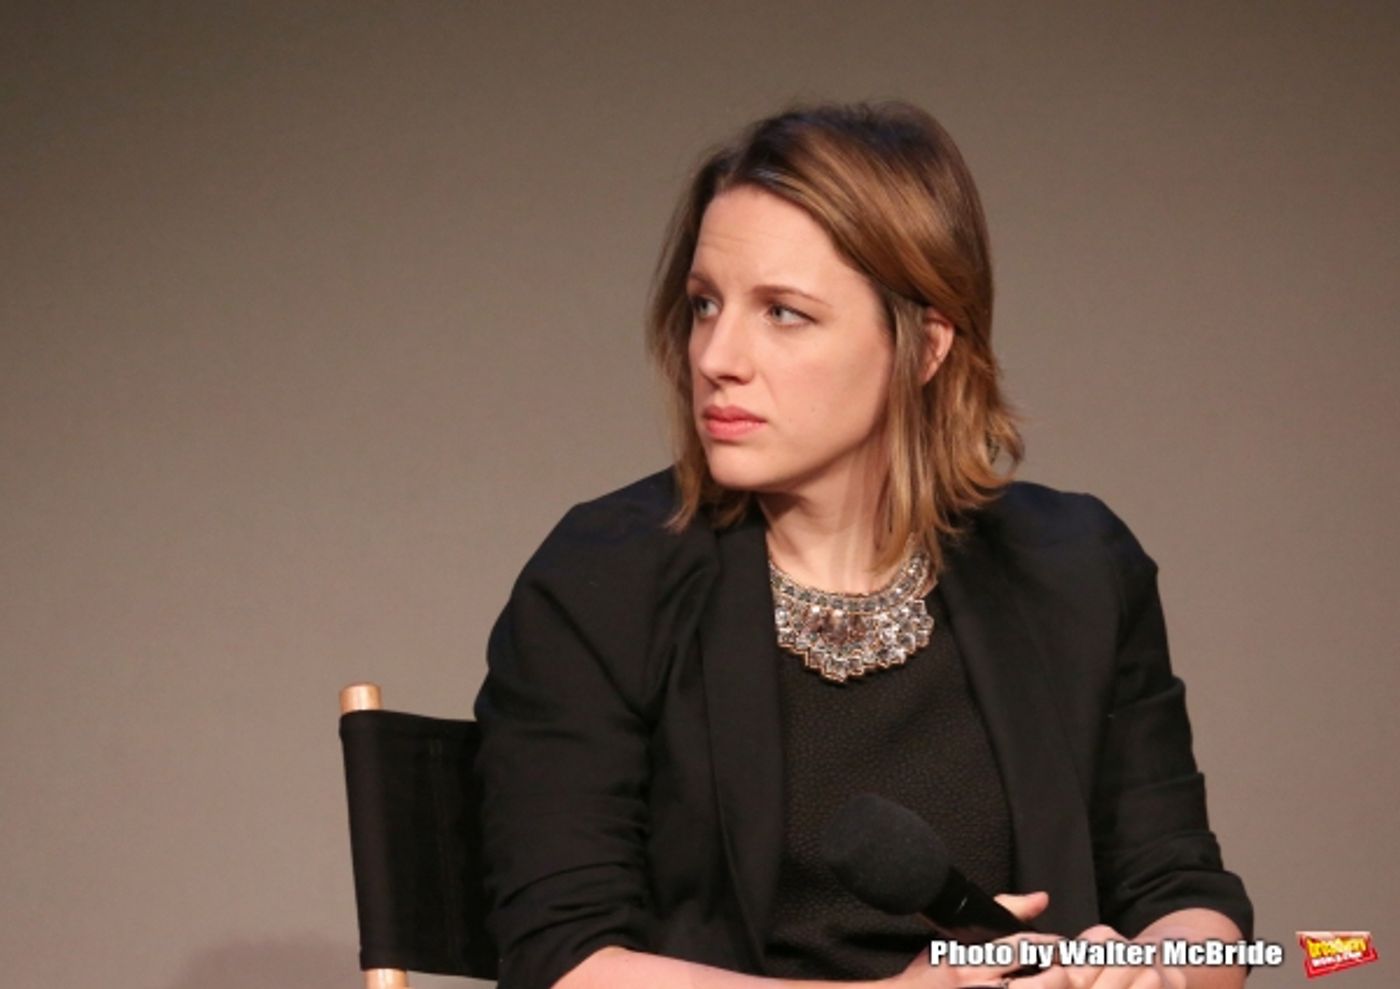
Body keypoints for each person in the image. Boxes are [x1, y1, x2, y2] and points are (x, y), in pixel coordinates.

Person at [474, 102, 1252, 989]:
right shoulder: (602, 577)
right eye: (704, 305)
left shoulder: (1075, 567)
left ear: (925, 344)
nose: (717, 355)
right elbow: (563, 959)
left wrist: (1160, 972)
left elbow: (1187, 895)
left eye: (785, 314)